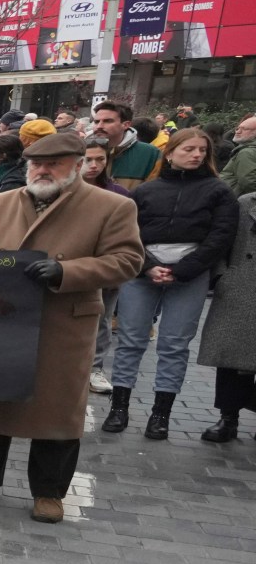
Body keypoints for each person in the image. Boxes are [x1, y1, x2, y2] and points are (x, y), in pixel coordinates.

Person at [0, 131, 144, 522]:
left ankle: (49, 492)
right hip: (4, 321)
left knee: (58, 409)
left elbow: (128, 261)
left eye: (54, 164)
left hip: (63, 322)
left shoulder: (111, 206)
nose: (43, 170)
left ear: (78, 166)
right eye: (37, 163)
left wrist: (68, 270)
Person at [102, 125, 237, 438]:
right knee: (131, 341)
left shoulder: (218, 192)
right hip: (142, 273)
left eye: (202, 151)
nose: (196, 155)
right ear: (171, 152)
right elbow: (126, 234)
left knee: (175, 346)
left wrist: (184, 269)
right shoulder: (146, 192)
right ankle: (119, 408)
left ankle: (161, 414)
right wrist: (148, 266)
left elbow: (221, 236)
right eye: (189, 149)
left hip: (189, 275)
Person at [195, 188, 256, 442]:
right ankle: (228, 418)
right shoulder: (245, 202)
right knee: (230, 358)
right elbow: (224, 239)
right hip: (241, 285)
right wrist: (222, 275)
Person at [93, 101, 160, 187]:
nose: (99, 126)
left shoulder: (150, 153)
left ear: (126, 125)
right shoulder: (83, 149)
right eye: (96, 122)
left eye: (108, 121)